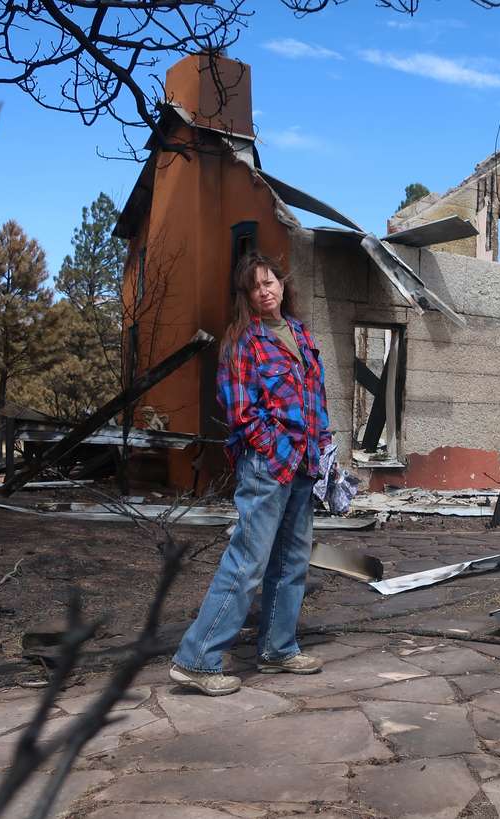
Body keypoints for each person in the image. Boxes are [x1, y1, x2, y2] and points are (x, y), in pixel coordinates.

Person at [169, 253, 331, 696]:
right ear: (247, 296)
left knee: (292, 562)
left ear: (282, 284)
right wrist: (278, 447)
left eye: (271, 281)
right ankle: (197, 658)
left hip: (303, 464)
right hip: (267, 465)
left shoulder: (300, 334)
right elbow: (240, 412)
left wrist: (323, 451)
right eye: (256, 286)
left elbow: (317, 398)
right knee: (247, 562)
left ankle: (278, 648)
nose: (266, 290)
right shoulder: (243, 342)